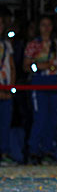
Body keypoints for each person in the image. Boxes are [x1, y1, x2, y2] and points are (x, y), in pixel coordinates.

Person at [23, 16, 57, 164]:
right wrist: (40, 66)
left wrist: (54, 67)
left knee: (53, 118)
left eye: (49, 25)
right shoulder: (33, 44)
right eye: (43, 25)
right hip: (39, 81)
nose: (46, 28)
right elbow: (26, 66)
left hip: (56, 82)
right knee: (40, 118)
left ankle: (49, 150)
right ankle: (34, 151)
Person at [0, 14, 16, 166]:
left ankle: (4, 153)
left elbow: (11, 67)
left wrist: (10, 88)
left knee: (5, 123)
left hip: (5, 88)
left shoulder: (6, 45)